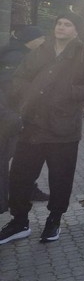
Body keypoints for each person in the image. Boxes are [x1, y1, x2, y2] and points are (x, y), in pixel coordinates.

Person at [0, 13, 84, 244]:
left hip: (64, 131)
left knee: (61, 178)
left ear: (76, 31)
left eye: (68, 24)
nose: (61, 27)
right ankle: (19, 222)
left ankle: (54, 221)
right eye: (59, 23)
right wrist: (30, 95)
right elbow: (19, 78)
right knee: (20, 177)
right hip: (33, 126)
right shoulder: (40, 51)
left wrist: (67, 96)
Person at [0, 26, 48, 212]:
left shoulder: (19, 53)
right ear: (32, 40)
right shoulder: (15, 57)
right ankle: (8, 200)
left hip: (16, 117)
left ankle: (26, 190)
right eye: (41, 37)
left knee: (26, 156)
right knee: (7, 158)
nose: (44, 41)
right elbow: (10, 87)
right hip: (11, 118)